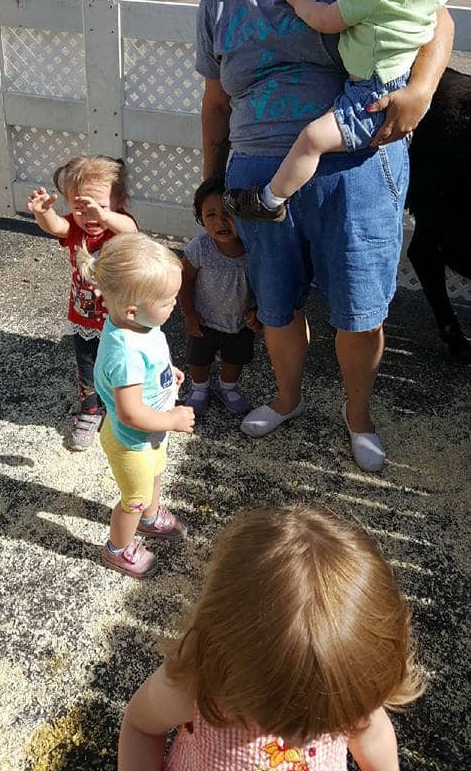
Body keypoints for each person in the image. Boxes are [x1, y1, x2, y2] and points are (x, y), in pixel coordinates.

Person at [197, 0, 453, 471]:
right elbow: (215, 104)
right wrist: (209, 184)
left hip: (357, 165)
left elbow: (435, 16)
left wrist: (420, 88)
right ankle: (286, 399)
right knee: (277, 308)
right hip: (257, 186)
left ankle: (358, 416)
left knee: (359, 314)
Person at [224, 0, 461, 221]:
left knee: (311, 140)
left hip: (370, 95)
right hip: (390, 84)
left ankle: (270, 200)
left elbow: (326, 20)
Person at [118, 504, 424, 770]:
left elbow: (373, 734)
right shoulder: (198, 685)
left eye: (325, 727)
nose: (296, 740)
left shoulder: (346, 688)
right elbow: (141, 726)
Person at [78, 233, 194, 579]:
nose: (175, 304)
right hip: (132, 440)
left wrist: (165, 374)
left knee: (155, 476)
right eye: (168, 300)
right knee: (133, 498)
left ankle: (150, 518)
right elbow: (129, 412)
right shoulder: (125, 352)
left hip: (149, 436)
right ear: (133, 308)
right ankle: (118, 548)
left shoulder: (140, 325)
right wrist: (171, 419)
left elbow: (148, 364)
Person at [27, 156, 137, 451]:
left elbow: (132, 232)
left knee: (120, 366)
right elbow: (56, 228)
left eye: (98, 205)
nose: (88, 215)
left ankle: (122, 410)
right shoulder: (76, 230)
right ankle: (90, 412)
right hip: (84, 317)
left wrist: (104, 216)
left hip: (120, 318)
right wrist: (43, 213)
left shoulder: (117, 228)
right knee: (87, 367)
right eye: (79, 207)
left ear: (119, 200)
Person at [179, 177, 259, 418]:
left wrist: (259, 311)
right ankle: (200, 387)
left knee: (236, 358)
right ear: (201, 219)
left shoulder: (254, 248)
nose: (220, 221)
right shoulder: (200, 248)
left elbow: (265, 283)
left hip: (241, 321)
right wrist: (189, 314)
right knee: (198, 358)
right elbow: (185, 280)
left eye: (228, 213)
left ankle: (229, 387)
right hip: (205, 319)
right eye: (210, 215)